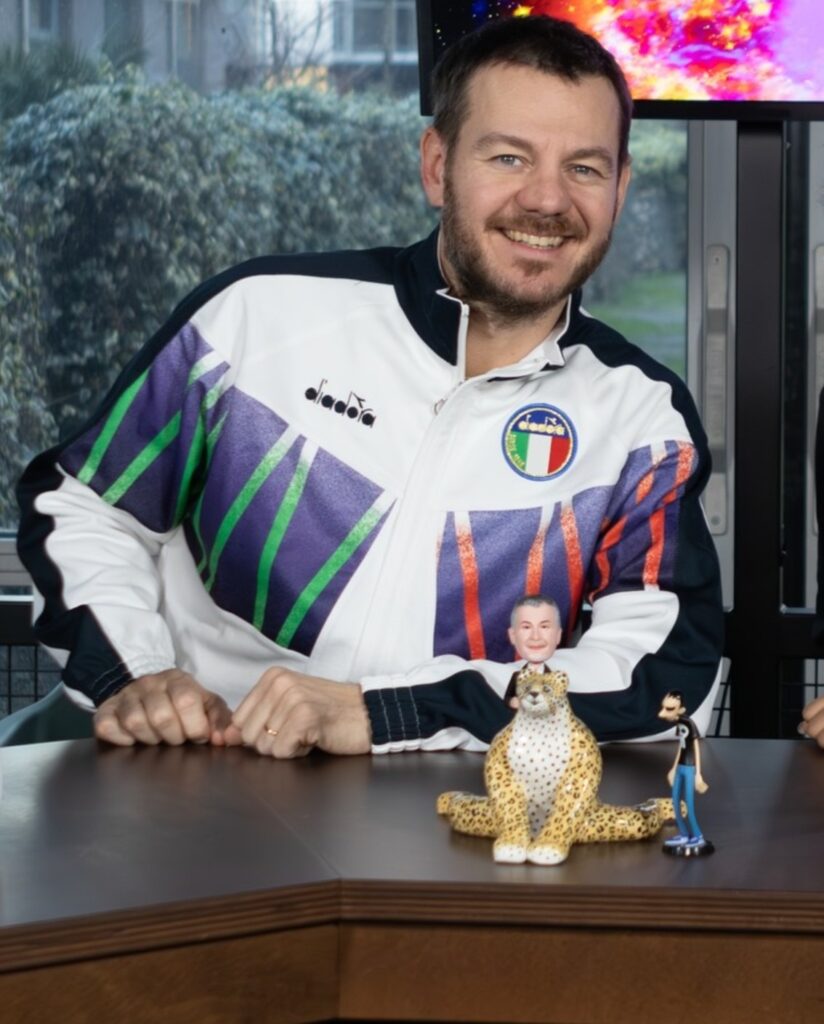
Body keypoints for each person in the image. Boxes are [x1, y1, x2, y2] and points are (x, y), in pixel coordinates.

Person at [16, 15, 723, 758]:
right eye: (509, 157)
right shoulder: (256, 317)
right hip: (195, 777)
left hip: (444, 810)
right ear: (436, 166)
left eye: (584, 168)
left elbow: (662, 676)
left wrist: (392, 712)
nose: (547, 199)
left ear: (620, 188)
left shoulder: (643, 419)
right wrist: (134, 674)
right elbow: (84, 505)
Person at [657, 691, 714, 856]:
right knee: (675, 802)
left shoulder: (689, 723)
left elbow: (695, 747)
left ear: (681, 709)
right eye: (664, 708)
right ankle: (684, 834)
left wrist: (698, 773)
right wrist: (673, 768)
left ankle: (697, 836)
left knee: (689, 805)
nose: (662, 713)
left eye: (669, 709)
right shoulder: (679, 724)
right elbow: (681, 746)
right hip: (680, 767)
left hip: (690, 769)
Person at [502, 594, 563, 708]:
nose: (535, 637)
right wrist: (512, 702)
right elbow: (507, 699)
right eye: (526, 627)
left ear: (558, 635)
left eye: (544, 627)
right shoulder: (517, 676)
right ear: (513, 635)